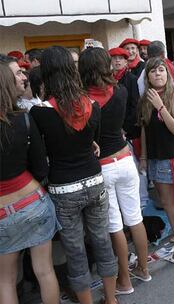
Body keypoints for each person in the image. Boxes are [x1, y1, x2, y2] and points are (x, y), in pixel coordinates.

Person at [30, 46, 118, 304]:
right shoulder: (93, 105)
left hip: (63, 188)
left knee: (75, 250)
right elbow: (93, 141)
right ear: (72, 69)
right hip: (94, 180)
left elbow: (40, 154)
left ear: (45, 72)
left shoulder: (39, 112)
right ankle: (111, 299)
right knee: (102, 240)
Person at [79, 47, 151, 295]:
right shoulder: (119, 90)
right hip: (125, 158)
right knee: (135, 217)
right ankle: (143, 268)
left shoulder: (86, 101)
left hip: (105, 165)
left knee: (115, 225)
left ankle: (125, 281)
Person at [0, 63, 60, 304]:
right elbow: (41, 168)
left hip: (3, 213)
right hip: (33, 200)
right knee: (45, 271)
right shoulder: (24, 119)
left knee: (5, 279)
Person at [138, 57, 174, 263]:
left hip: (171, 158)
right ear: (148, 77)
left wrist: (161, 107)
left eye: (161, 70)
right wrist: (144, 156)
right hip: (155, 158)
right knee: (167, 203)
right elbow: (145, 129)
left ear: (167, 73)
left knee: (170, 205)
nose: (158, 74)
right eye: (153, 71)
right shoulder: (146, 98)